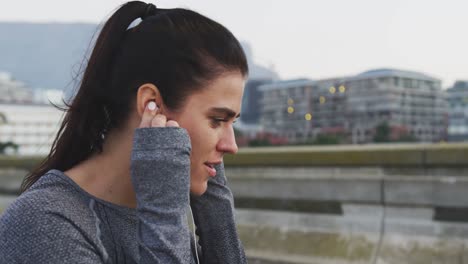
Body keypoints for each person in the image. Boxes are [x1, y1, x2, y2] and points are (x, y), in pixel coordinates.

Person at [0, 1, 248, 263]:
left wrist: (215, 210)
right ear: (151, 104)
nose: (232, 145)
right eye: (217, 120)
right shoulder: (46, 225)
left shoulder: (155, 220)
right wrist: (163, 212)